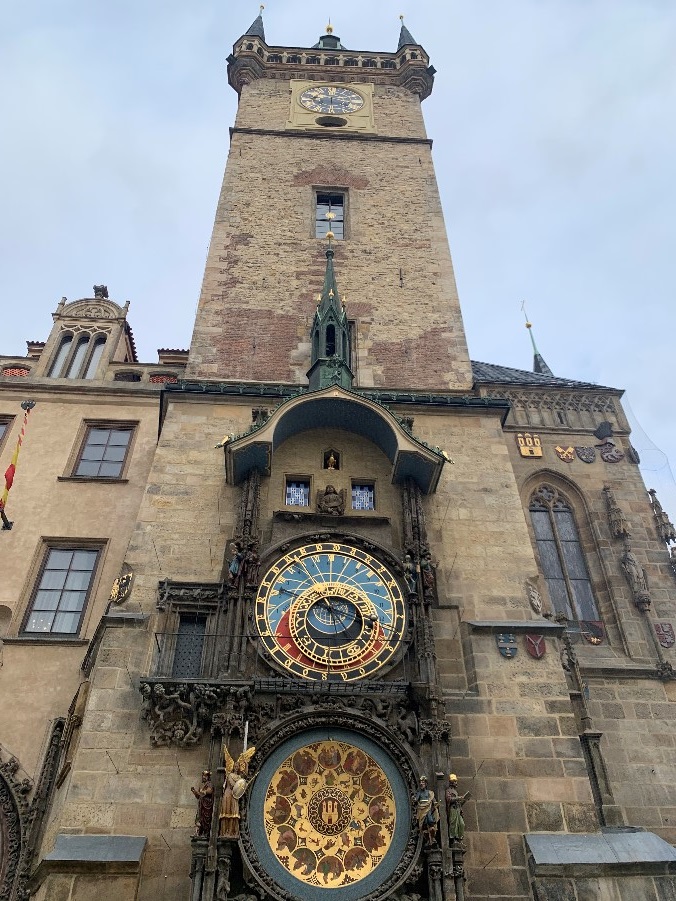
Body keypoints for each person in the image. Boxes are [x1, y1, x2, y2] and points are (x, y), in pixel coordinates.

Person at [219, 746, 256, 839]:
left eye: (237, 766)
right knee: (227, 812)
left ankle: (233, 832)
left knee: (234, 814)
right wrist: (242, 786)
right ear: (232, 767)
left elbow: (245, 775)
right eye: (235, 766)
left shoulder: (239, 777)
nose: (236, 767)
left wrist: (246, 764)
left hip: (234, 796)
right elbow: (233, 785)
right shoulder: (230, 775)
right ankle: (225, 831)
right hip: (228, 795)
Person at [445, 774, 470, 845]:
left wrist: (464, 800)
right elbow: (449, 799)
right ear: (451, 782)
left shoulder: (455, 792)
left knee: (461, 824)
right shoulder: (448, 791)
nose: (456, 783)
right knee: (453, 824)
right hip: (453, 809)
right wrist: (458, 798)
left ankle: (459, 839)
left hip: (458, 809)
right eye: (455, 781)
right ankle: (453, 840)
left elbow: (458, 802)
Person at [414, 776, 439, 846]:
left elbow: (433, 799)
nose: (421, 784)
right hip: (422, 809)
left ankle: (433, 837)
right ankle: (428, 839)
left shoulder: (429, 793)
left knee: (430, 820)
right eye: (420, 782)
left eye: (423, 782)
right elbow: (416, 799)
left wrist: (435, 803)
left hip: (428, 808)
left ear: (426, 784)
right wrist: (414, 799)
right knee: (424, 823)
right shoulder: (419, 793)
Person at [191, 770, 214, 837]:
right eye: (203, 776)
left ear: (208, 777)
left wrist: (203, 791)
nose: (204, 777)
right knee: (199, 818)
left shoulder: (209, 784)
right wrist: (194, 792)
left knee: (205, 820)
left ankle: (205, 833)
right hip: (201, 804)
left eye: (205, 776)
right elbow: (198, 796)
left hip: (206, 805)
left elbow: (210, 791)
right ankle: (198, 832)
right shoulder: (201, 785)